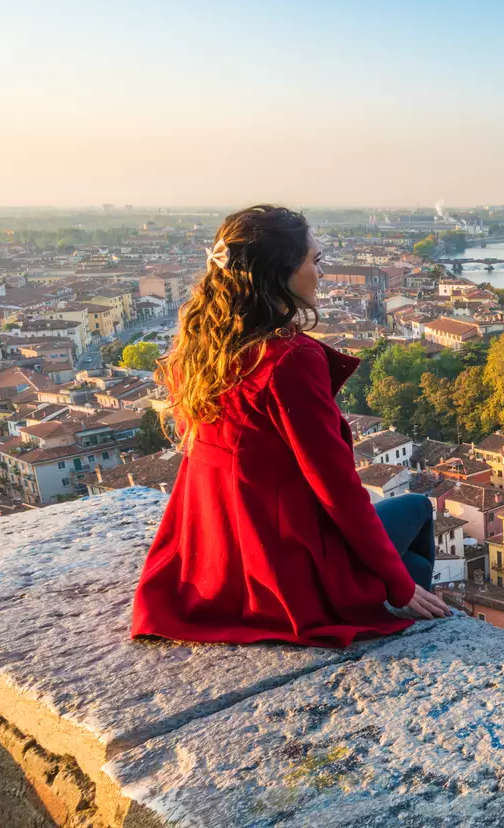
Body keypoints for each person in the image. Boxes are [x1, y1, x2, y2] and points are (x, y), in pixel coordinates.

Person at [132, 204, 450, 647]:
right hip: (280, 571)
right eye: (314, 262)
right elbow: (335, 487)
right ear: (282, 273)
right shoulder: (288, 360)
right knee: (416, 513)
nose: (320, 274)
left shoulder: (202, 350)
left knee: (405, 569)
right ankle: (421, 619)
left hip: (215, 563)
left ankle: (407, 598)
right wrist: (398, 586)